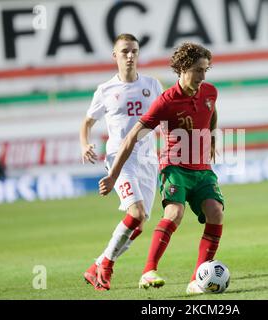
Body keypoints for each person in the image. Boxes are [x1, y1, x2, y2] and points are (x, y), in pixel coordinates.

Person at [98, 42, 224, 295]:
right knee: (174, 213)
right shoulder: (166, 102)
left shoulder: (209, 92)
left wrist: (210, 138)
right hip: (175, 167)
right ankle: (148, 271)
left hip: (202, 170)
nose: (203, 76)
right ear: (183, 69)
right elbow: (132, 135)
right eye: (199, 70)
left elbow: (212, 112)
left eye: (205, 70)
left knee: (216, 213)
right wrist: (113, 175)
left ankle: (197, 279)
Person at [79, 33, 163, 291]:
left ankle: (98, 264)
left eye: (134, 51)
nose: (130, 55)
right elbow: (88, 122)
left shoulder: (152, 84)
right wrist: (85, 144)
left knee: (139, 222)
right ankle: (107, 266)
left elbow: (166, 119)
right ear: (115, 55)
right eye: (125, 51)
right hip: (120, 159)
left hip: (148, 161)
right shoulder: (105, 90)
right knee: (135, 213)